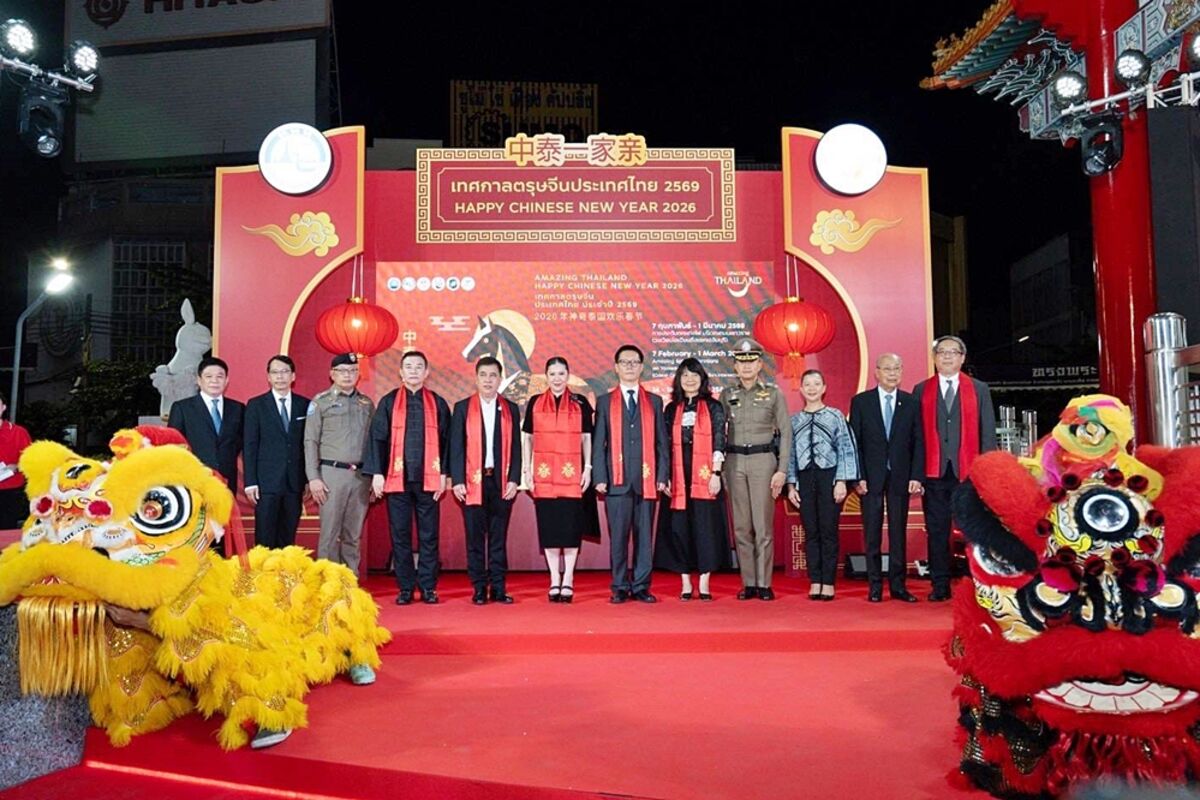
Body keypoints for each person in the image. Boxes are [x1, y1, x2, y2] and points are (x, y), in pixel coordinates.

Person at [913, 335, 997, 602]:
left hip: (968, 472)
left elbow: (987, 431)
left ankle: (977, 586)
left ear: (962, 358)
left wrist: (986, 470)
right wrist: (916, 473)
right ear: (934, 358)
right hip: (934, 473)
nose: (947, 356)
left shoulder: (979, 389)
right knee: (937, 531)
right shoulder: (921, 390)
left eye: (953, 352)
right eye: (942, 352)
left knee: (972, 532)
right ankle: (940, 585)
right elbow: (916, 437)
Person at [363, 350, 451, 606]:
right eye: (409, 366)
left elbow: (447, 442)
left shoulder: (438, 403)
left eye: (418, 366)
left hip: (428, 479)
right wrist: (377, 473)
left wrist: (444, 475)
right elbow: (377, 439)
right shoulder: (389, 402)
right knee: (400, 535)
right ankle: (405, 587)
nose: (413, 371)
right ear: (401, 372)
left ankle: (428, 587)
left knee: (429, 535)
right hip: (397, 478)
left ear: (426, 372)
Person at [593, 344, 669, 604]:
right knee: (618, 538)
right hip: (616, 481)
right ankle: (619, 586)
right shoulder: (604, 402)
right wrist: (599, 477)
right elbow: (599, 443)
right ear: (616, 368)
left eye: (634, 362)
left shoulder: (654, 402)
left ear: (641, 367)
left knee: (644, 538)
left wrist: (662, 475)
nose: (629, 366)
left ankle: (641, 586)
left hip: (647, 480)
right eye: (624, 362)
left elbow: (662, 443)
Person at [521, 356, 599, 603]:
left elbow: (587, 437)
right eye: (552, 374)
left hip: (572, 475)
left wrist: (588, 468)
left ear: (568, 375)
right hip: (544, 476)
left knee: (570, 529)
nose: (557, 378)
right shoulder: (535, 402)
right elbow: (528, 438)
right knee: (551, 528)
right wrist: (526, 470)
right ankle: (555, 578)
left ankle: (569, 579)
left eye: (561, 374)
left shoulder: (580, 402)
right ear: (546, 376)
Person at [720, 338, 791, 601]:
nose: (746, 366)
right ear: (735, 366)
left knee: (763, 527)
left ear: (760, 364)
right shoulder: (727, 395)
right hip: (735, 462)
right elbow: (718, 432)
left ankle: (764, 583)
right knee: (741, 527)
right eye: (741, 362)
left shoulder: (773, 393)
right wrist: (719, 469)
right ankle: (748, 582)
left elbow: (786, 433)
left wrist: (782, 470)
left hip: (763, 461)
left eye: (751, 361)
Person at [849, 353, 923, 603]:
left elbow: (918, 442)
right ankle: (874, 586)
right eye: (888, 369)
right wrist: (857, 476)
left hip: (901, 476)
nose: (893, 373)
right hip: (870, 477)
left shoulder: (911, 402)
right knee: (872, 532)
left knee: (898, 532)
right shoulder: (861, 402)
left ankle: (898, 586)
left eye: (897, 369)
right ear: (877, 373)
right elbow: (855, 443)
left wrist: (916, 475)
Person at [653, 358, 729, 601]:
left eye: (694, 375)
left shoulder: (714, 407)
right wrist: (664, 476)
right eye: (685, 375)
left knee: (705, 528)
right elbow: (663, 445)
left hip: (705, 475)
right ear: (678, 379)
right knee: (679, 528)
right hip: (677, 475)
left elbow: (720, 440)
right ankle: (685, 582)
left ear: (702, 379)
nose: (690, 379)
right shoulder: (671, 409)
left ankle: (704, 582)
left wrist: (716, 473)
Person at [449, 357, 522, 605]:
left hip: (501, 482)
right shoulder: (462, 408)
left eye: (493, 375)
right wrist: (457, 479)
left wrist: (514, 479)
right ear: (476, 378)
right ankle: (479, 587)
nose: (488, 380)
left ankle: (499, 588)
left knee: (499, 538)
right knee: (475, 538)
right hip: (472, 482)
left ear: (500, 379)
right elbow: (456, 447)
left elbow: (516, 448)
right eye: (483, 375)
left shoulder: (510, 409)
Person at [786, 369, 859, 601]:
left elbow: (846, 449)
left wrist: (841, 481)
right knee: (811, 532)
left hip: (830, 477)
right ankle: (815, 580)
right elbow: (789, 455)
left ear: (824, 388)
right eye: (807, 384)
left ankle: (828, 581)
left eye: (816, 383)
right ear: (801, 389)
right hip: (804, 479)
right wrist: (791, 485)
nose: (812, 388)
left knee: (828, 531)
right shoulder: (794, 420)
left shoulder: (835, 416)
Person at [304, 353, 374, 576]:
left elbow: (374, 442)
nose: (348, 375)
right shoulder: (321, 402)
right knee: (330, 534)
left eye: (353, 371)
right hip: (331, 474)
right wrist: (313, 477)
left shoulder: (366, 404)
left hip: (361, 476)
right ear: (332, 374)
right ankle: (327, 581)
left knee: (353, 534)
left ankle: (350, 581)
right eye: (342, 371)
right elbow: (310, 441)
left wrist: (374, 475)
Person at [243, 355, 309, 549]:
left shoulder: (305, 405)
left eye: (285, 372)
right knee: (265, 536)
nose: (280, 377)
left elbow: (308, 444)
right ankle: (264, 569)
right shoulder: (256, 405)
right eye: (275, 372)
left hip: (294, 482)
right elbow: (250, 445)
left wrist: (308, 478)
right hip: (266, 483)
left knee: (288, 537)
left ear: (293, 376)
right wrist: (250, 482)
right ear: (268, 377)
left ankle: (285, 569)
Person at [167, 355, 244, 493]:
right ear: (199, 380)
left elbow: (240, 441)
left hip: (226, 480)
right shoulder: (182, 408)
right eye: (208, 376)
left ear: (226, 380)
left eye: (220, 376)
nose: (214, 381)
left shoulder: (238, 409)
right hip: (194, 479)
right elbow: (174, 445)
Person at [0, 392, 32, 530]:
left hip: (10, 492)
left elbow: (31, 460)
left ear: (3, 407)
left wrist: (16, 466)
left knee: (6, 531)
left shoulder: (19, 432)